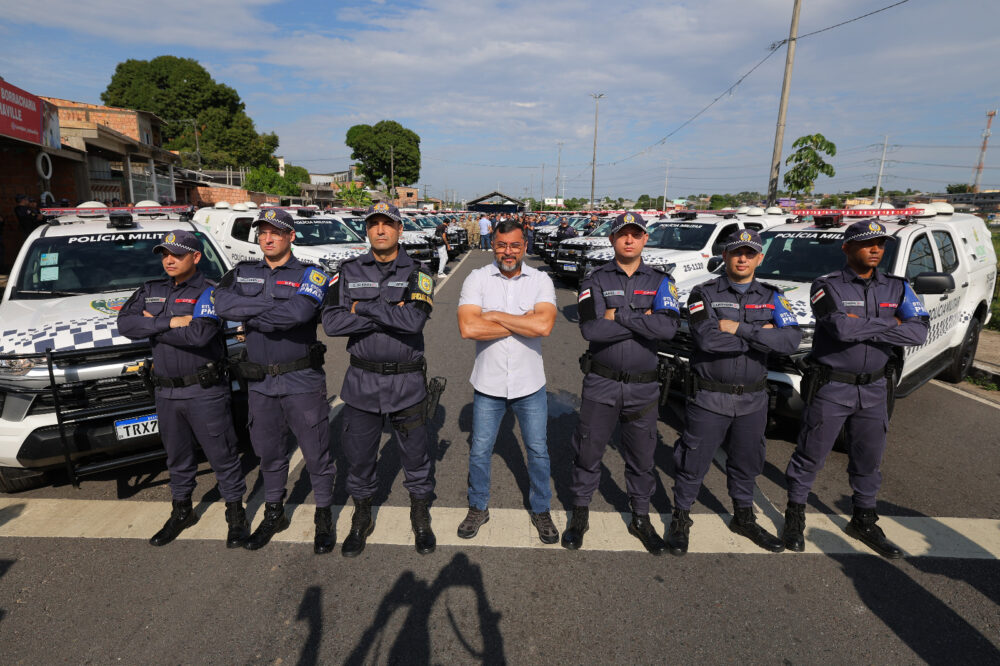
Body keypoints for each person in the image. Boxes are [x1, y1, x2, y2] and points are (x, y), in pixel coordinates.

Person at [782, 220, 929, 558]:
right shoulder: (826, 286)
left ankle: (863, 519)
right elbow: (840, 330)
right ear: (847, 248)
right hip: (833, 386)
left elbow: (918, 332)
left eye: (880, 243)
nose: (875, 249)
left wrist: (865, 325)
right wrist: (893, 323)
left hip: (876, 387)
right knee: (810, 455)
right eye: (866, 243)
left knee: (868, 458)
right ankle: (795, 514)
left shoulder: (898, 287)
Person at [667, 229, 801, 556]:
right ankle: (680, 518)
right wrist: (762, 334)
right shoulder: (703, 293)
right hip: (710, 397)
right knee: (692, 461)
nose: (742, 258)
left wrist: (738, 328)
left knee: (746, 462)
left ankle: (743, 517)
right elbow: (707, 340)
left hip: (753, 400)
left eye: (749, 253)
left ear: (759, 258)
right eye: (736, 252)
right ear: (725, 256)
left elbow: (790, 340)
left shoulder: (773, 296)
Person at [214, 208, 337, 554]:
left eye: (276, 232)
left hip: (301, 380)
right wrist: (269, 309)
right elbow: (221, 303)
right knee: (269, 454)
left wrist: (249, 309)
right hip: (261, 383)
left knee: (316, 454)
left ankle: (323, 515)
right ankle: (274, 513)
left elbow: (299, 313)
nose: (267, 239)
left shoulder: (311, 274)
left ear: (291, 236)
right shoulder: (242, 272)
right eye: (263, 232)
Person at [117, 230, 248, 547]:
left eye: (176, 254)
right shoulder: (151, 289)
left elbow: (199, 336)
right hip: (166, 393)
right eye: (165, 254)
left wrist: (151, 326)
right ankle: (182, 511)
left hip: (204, 391)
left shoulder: (210, 291)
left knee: (223, 455)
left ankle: (235, 513)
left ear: (196, 257)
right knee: (177, 458)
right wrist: (171, 322)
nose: (169, 260)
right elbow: (125, 324)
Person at [322, 202, 438, 557]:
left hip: (407, 383)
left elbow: (413, 322)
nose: (381, 230)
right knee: (359, 458)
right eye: (374, 224)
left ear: (400, 229)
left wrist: (361, 307)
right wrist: (390, 312)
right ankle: (362, 515)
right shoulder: (347, 271)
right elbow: (332, 323)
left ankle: (420, 513)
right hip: (362, 381)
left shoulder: (419, 271)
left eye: (388, 224)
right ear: (367, 230)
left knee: (416, 457)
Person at [561, 212, 679, 555]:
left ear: (645, 239)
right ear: (612, 239)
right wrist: (643, 320)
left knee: (642, 458)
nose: (629, 240)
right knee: (588, 452)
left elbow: (668, 328)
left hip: (643, 388)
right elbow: (591, 329)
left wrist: (620, 316)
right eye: (623, 234)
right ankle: (580, 513)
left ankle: (640, 517)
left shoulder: (662, 281)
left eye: (636, 234)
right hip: (602, 383)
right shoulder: (594, 280)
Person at [456, 219, 559, 543]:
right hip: (488, 384)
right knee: (480, 450)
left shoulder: (540, 280)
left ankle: (541, 508)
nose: (508, 252)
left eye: (515, 245)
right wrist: (522, 322)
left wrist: (495, 315)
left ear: (525, 246)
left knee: (538, 450)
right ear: (493, 245)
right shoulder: (477, 278)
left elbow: (543, 327)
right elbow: (468, 328)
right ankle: (478, 506)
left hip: (530, 385)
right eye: (501, 245)